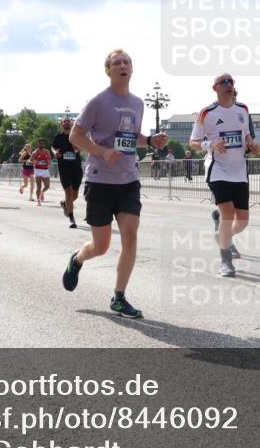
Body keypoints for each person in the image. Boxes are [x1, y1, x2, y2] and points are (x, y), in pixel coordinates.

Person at [61, 48, 168, 318]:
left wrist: (149, 141)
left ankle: (118, 297)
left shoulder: (138, 103)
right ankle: (77, 259)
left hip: (128, 180)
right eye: (117, 62)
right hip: (100, 181)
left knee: (131, 236)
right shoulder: (98, 102)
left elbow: (130, 137)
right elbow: (76, 135)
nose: (123, 65)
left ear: (132, 69)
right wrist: (102, 152)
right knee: (101, 246)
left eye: (127, 62)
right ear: (108, 70)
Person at [190, 73, 260, 277]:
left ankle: (221, 232)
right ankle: (226, 262)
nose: (229, 85)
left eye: (231, 82)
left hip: (239, 171)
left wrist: (252, 144)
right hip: (218, 169)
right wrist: (210, 144)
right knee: (229, 216)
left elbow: (246, 135)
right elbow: (193, 142)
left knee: (243, 221)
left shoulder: (243, 110)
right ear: (215, 88)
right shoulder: (206, 113)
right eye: (224, 82)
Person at [53, 117, 83, 228]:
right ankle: (72, 218)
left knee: (74, 195)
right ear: (61, 123)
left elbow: (82, 148)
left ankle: (65, 203)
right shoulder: (58, 136)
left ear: (71, 123)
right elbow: (54, 147)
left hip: (76, 168)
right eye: (64, 121)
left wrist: (77, 147)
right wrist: (55, 152)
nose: (67, 122)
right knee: (68, 192)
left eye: (68, 121)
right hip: (64, 168)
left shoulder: (76, 135)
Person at [31, 139, 52, 206]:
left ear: (44, 144)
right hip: (38, 170)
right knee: (39, 187)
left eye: (42, 143)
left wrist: (49, 163)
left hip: (45, 170)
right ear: (38, 144)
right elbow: (30, 161)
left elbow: (49, 160)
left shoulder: (47, 151)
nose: (41, 145)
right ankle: (38, 200)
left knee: (47, 186)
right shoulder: (35, 152)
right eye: (40, 143)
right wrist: (35, 162)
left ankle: (42, 193)